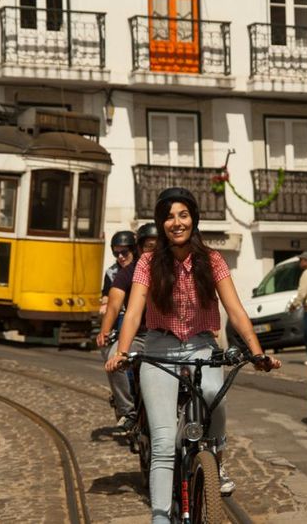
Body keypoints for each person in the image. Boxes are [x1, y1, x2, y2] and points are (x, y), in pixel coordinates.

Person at [105, 187, 281, 523]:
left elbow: (236, 310)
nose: (176, 222)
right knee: (161, 441)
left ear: (193, 219)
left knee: (215, 395)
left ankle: (216, 456)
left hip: (201, 346)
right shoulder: (147, 262)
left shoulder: (212, 259)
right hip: (159, 349)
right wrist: (124, 352)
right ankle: (159, 517)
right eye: (169, 217)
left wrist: (258, 353)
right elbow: (133, 311)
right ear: (161, 222)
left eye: (183, 215)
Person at [96, 222, 159, 430]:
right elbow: (114, 304)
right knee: (114, 359)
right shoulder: (125, 273)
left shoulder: (174, 268)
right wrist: (105, 330)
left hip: (166, 335)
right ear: (140, 249)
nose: (121, 257)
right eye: (149, 247)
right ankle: (128, 411)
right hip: (138, 335)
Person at [99, 230, 137, 316]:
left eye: (124, 253)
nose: (120, 257)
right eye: (116, 253)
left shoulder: (143, 270)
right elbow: (106, 294)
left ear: (134, 251)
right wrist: (105, 305)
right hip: (121, 314)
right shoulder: (111, 273)